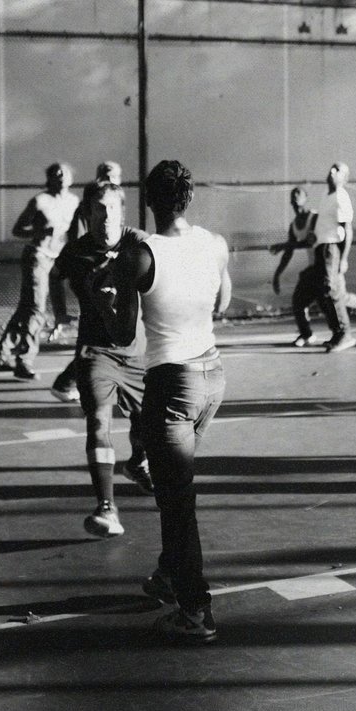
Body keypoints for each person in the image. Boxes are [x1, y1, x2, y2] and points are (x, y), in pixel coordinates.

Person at [132, 159, 231, 643]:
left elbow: (116, 328)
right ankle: (171, 575)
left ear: (149, 200)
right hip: (213, 378)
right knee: (176, 487)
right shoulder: (214, 244)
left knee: (177, 501)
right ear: (189, 199)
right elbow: (224, 302)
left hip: (172, 383)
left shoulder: (143, 254)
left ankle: (196, 611)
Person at [53, 179, 153, 538]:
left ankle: (138, 463)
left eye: (113, 208)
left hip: (137, 353)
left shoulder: (140, 243)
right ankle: (106, 508)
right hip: (95, 352)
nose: (107, 215)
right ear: (87, 213)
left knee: (148, 429)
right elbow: (54, 275)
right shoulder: (76, 252)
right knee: (98, 420)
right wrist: (60, 315)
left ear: (122, 211)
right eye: (99, 208)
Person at [0, 162, 80, 380]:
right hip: (37, 257)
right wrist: (39, 230)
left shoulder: (74, 202)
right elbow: (17, 229)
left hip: (58, 260)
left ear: (70, 178)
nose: (60, 176)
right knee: (36, 310)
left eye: (64, 172)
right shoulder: (40, 201)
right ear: (49, 179)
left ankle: (1, 356)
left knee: (26, 310)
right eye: (55, 173)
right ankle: (25, 360)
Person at [270, 186, 356, 347]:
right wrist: (277, 274)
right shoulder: (294, 225)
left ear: (305, 198)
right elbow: (289, 251)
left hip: (328, 264)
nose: (295, 196)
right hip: (314, 269)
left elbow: (310, 241)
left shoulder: (314, 218)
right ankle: (307, 334)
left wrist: (342, 259)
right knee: (299, 301)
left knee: (338, 297)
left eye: (298, 193)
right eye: (292, 194)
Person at [47, 159, 122, 344]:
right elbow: (77, 241)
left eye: (112, 178)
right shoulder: (88, 208)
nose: (108, 182)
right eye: (105, 178)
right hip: (92, 266)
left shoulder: (117, 204)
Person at [311, 161, 356, 352]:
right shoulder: (326, 195)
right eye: (331, 167)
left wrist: (344, 258)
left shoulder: (341, 197)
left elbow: (347, 229)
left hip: (332, 249)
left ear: (344, 177)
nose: (332, 171)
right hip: (322, 247)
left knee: (331, 291)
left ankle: (345, 334)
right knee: (332, 292)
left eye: (337, 170)